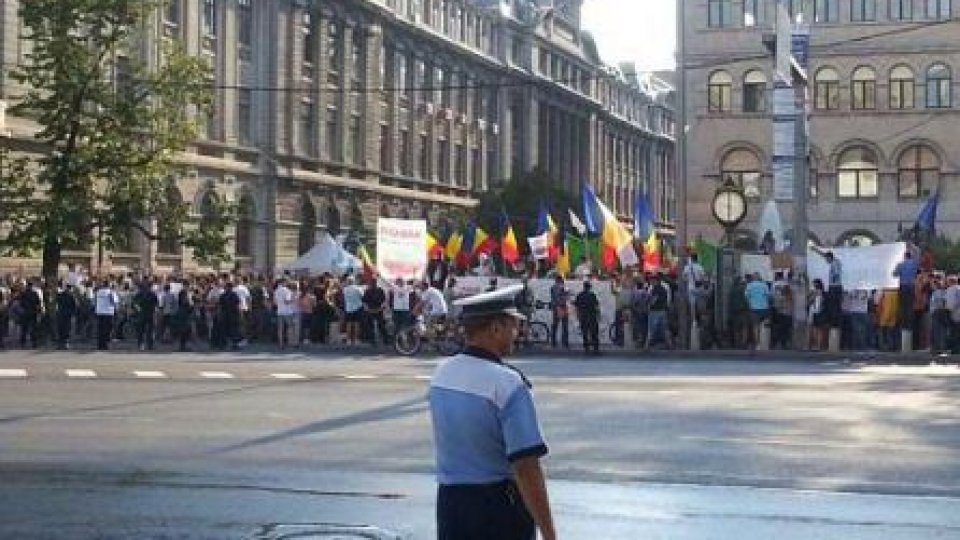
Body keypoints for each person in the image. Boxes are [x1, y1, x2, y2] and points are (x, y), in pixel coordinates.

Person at [428, 285, 556, 540]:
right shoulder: (507, 384)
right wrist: (550, 533)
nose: (516, 333)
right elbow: (526, 467)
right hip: (498, 509)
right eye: (512, 325)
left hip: (450, 506)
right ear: (496, 328)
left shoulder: (441, 375)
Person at [892, 250, 919, 331]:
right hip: (911, 286)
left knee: (903, 306)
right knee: (910, 306)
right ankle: (910, 325)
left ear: (904, 256)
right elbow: (917, 272)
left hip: (903, 286)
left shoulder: (900, 264)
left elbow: (894, 274)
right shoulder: (915, 264)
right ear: (911, 256)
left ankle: (903, 325)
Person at [743, 273, 771, 350]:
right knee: (763, 325)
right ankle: (764, 343)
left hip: (753, 308)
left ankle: (757, 344)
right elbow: (768, 295)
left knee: (755, 326)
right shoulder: (764, 285)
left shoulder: (749, 286)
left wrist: (750, 303)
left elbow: (746, 296)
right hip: (764, 308)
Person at [574, 280, 600, 355]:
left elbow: (576, 306)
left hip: (583, 316)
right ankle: (596, 348)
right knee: (594, 333)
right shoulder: (592, 295)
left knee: (585, 332)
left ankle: (586, 348)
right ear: (589, 287)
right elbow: (596, 306)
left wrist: (578, 315)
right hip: (592, 316)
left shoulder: (580, 295)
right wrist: (598, 315)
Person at [362, 277, 388, 346]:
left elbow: (384, 301)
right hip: (372, 310)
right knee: (373, 327)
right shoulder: (368, 291)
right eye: (373, 282)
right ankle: (374, 341)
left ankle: (384, 340)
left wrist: (381, 308)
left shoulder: (380, 290)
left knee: (381, 326)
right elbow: (364, 302)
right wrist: (368, 309)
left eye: (374, 282)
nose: (373, 283)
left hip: (377, 310)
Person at [133, 282, 159, 351]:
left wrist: (139, 310)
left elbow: (135, 304)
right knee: (149, 331)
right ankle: (149, 345)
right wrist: (155, 313)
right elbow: (156, 305)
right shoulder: (152, 294)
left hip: (142, 314)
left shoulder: (140, 294)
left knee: (141, 331)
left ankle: (141, 345)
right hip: (150, 314)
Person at [94, 279, 119, 350]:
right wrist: (116, 309)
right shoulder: (111, 292)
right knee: (108, 329)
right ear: (109, 285)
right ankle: (106, 345)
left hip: (99, 312)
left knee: (100, 329)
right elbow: (114, 301)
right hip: (108, 312)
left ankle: (100, 345)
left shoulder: (98, 292)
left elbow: (94, 301)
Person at [273, 278, 296, 349]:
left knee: (280, 328)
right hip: (287, 312)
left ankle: (281, 344)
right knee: (291, 327)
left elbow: (275, 302)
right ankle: (293, 342)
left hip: (279, 311)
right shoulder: (287, 291)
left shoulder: (276, 291)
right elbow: (287, 301)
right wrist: (293, 299)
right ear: (284, 282)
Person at [342, 276, 364, 346]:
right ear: (354, 281)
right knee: (356, 324)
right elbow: (362, 296)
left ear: (348, 281)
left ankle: (349, 340)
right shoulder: (358, 288)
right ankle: (356, 339)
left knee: (349, 324)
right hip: (357, 307)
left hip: (348, 308)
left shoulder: (345, 289)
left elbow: (344, 297)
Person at [548, 276, 570, 349]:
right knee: (564, 325)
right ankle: (565, 342)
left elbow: (555, 298)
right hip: (562, 307)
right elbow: (567, 297)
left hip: (557, 307)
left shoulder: (554, 287)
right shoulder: (563, 287)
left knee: (555, 325)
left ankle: (554, 341)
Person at [55, 283, 78, 350]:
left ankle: (60, 344)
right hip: (68, 315)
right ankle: (65, 344)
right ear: (70, 288)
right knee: (67, 329)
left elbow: (56, 303)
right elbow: (75, 305)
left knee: (60, 329)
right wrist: (74, 314)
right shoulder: (72, 296)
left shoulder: (60, 295)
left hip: (60, 314)